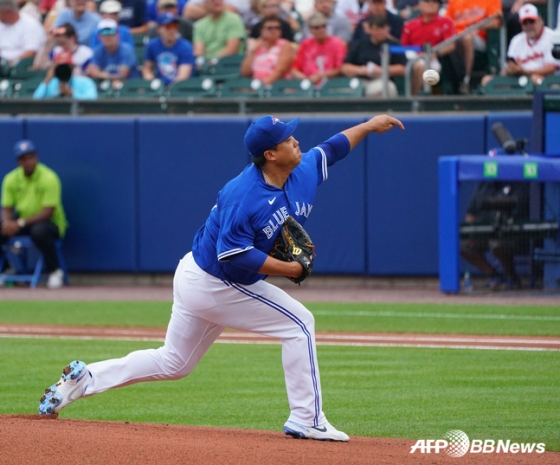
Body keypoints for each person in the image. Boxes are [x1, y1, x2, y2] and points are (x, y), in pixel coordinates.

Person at [37, 113, 404, 442]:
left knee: (174, 363)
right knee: (300, 324)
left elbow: (334, 148)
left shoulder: (301, 170)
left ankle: (87, 380)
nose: (296, 140)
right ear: (270, 155)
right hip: (216, 281)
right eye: (287, 138)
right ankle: (307, 418)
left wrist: (369, 126)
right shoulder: (243, 195)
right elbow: (236, 255)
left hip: (199, 274)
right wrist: (291, 269)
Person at [1, 139, 68, 289]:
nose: (28, 162)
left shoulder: (49, 178)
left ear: (36, 157)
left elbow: (48, 212)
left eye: (31, 157)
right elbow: (6, 209)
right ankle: (7, 269)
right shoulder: (10, 179)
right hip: (22, 221)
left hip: (50, 224)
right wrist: (7, 223)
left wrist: (19, 223)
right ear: (18, 161)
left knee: (40, 231)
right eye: (24, 159)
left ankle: (55, 271)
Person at [461, 180, 530, 290]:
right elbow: (471, 212)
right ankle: (494, 275)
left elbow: (519, 211)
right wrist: (470, 233)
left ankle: (511, 277)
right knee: (464, 246)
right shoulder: (483, 184)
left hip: (513, 234)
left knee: (497, 244)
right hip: (486, 233)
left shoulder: (519, 183)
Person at [481, 4, 558, 87]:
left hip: (546, 81)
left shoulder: (552, 37)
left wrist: (523, 71)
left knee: (535, 79)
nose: (529, 26)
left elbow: (551, 69)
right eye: (525, 23)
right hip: (518, 80)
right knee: (486, 80)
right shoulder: (516, 40)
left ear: (540, 20)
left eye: (531, 21)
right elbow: (510, 64)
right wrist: (510, 69)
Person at [444, 0, 502, 94]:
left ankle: (465, 80)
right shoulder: (454, 1)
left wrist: (476, 26)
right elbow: (446, 22)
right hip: (456, 36)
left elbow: (497, 21)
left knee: (467, 38)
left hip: (478, 37)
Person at [341, 14, 407, 97]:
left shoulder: (395, 45)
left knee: (386, 88)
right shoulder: (359, 44)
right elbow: (345, 67)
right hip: (359, 81)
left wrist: (381, 70)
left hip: (381, 80)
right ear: (370, 29)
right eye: (377, 29)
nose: (380, 32)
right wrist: (362, 70)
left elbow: (403, 68)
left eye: (383, 28)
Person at [400, 0, 456, 95]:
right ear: (420, 5)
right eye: (427, 1)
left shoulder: (446, 22)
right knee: (419, 65)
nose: (431, 4)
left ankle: (421, 97)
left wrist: (436, 53)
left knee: (430, 68)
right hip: (413, 56)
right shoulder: (410, 25)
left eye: (435, 2)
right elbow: (404, 46)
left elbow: (451, 45)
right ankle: (414, 98)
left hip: (434, 57)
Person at [291, 12, 347, 86]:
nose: (321, 30)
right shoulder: (305, 44)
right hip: (308, 84)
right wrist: (304, 78)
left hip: (331, 84)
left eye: (323, 26)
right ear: (310, 30)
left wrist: (321, 76)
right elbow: (295, 69)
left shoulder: (337, 43)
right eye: (316, 28)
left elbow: (340, 68)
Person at [143, 13, 194, 87]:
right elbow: (147, 68)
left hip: (181, 89)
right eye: (168, 27)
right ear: (159, 29)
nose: (172, 30)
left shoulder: (185, 46)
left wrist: (166, 90)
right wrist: (150, 79)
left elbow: (183, 77)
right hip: (159, 87)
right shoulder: (152, 45)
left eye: (174, 26)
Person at [241, 15, 294, 85]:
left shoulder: (285, 45)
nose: (274, 31)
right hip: (256, 84)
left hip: (277, 85)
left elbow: (280, 71)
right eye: (269, 28)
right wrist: (252, 51)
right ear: (261, 30)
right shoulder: (257, 45)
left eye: (277, 28)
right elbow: (245, 72)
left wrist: (262, 86)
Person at [87, 18, 139, 85]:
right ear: (99, 36)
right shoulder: (98, 51)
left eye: (111, 32)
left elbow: (122, 75)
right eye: (104, 32)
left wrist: (103, 75)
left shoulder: (126, 50)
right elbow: (93, 71)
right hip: (105, 87)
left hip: (130, 86)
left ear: (117, 35)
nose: (108, 36)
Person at [33, 49, 98, 99]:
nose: (63, 70)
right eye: (60, 67)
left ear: (72, 67)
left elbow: (92, 100)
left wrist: (71, 93)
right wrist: (47, 79)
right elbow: (35, 101)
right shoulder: (51, 83)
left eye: (66, 67)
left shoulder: (85, 82)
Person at [0, 0, 46, 66]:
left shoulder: (30, 24)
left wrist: (12, 61)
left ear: (8, 12)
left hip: (20, 64)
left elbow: (31, 51)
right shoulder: (2, 24)